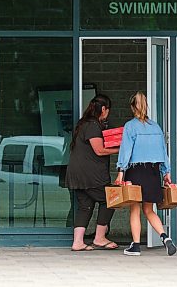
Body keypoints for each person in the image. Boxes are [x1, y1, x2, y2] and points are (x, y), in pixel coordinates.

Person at [116, 91, 177, 256]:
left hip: (135, 171)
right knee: (149, 210)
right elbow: (163, 152)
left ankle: (135, 246)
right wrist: (166, 172)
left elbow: (126, 151)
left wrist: (121, 171)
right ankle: (165, 238)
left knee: (135, 209)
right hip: (152, 172)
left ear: (132, 107)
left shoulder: (130, 126)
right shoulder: (156, 127)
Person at [66, 94, 120, 251]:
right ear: (103, 109)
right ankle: (100, 238)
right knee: (111, 199)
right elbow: (99, 150)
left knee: (85, 206)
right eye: (108, 110)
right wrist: (120, 149)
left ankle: (78, 242)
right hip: (89, 175)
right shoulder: (92, 125)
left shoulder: (84, 124)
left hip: (79, 175)